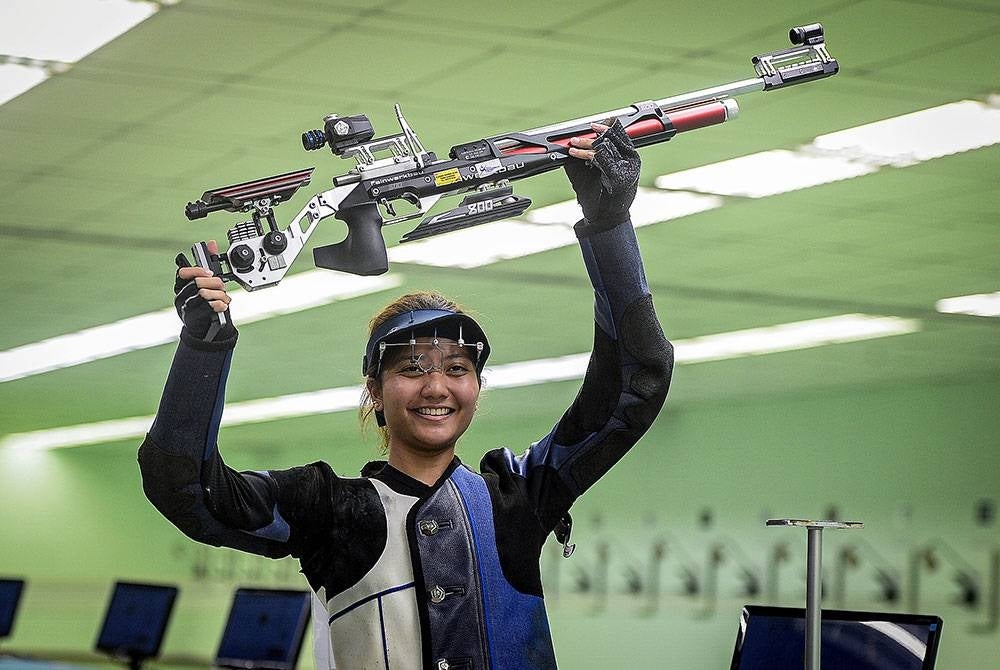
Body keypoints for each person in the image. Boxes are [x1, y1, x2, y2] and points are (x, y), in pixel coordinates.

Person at [139, 121, 674, 669]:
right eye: (412, 369)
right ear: (374, 388)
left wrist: (610, 226)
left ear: (477, 387)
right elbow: (188, 491)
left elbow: (636, 382)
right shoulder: (328, 511)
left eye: (457, 368)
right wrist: (203, 348)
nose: (436, 387)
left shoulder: (519, 498)